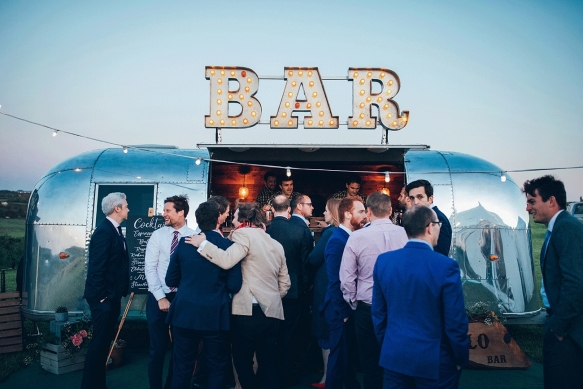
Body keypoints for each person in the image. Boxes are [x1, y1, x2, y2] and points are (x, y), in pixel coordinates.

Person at [185, 202, 290, 389]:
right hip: (273, 312)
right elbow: (285, 283)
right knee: (268, 363)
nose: (230, 219)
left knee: (242, 361)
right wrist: (270, 298)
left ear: (244, 219)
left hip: (248, 311)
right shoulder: (275, 243)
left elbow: (226, 260)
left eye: (234, 216)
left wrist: (203, 245)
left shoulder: (242, 234)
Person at [372, 205, 469, 388]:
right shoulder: (446, 266)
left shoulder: (384, 262)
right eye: (438, 224)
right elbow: (455, 321)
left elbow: (378, 314)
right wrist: (460, 358)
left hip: (395, 355)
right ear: (429, 227)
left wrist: (389, 345)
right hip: (435, 361)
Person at [165, 201, 242, 389]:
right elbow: (234, 285)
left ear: (197, 221)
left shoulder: (184, 244)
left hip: (184, 312)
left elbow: (170, 280)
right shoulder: (228, 245)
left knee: (182, 366)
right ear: (219, 220)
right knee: (217, 365)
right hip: (215, 314)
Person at [339, 192, 408, 389]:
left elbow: (347, 277)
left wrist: (353, 302)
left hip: (367, 307)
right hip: (399, 307)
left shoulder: (356, 237)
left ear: (368, 212)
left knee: (370, 364)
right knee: (400, 363)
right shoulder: (406, 235)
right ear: (391, 211)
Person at [523, 175, 583, 388]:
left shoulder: (567, 228)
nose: (528, 208)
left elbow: (575, 283)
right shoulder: (556, 228)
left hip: (568, 332)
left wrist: (558, 328)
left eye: (532, 201)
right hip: (560, 325)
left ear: (551, 200)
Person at [144, 195, 196, 389]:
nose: (163, 214)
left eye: (167, 210)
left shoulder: (193, 235)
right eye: (163, 210)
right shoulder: (157, 235)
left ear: (180, 212)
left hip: (182, 298)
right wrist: (160, 297)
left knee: (180, 350)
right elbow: (150, 268)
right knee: (157, 349)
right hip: (158, 297)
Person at [81, 192, 130, 389]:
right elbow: (96, 268)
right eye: (126, 206)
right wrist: (102, 298)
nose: (128, 209)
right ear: (117, 208)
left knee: (103, 346)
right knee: (98, 346)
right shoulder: (104, 232)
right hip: (104, 300)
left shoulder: (114, 230)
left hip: (112, 297)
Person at [320, 198, 367, 389]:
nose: (365, 216)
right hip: (340, 312)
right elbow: (335, 281)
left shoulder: (349, 237)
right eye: (361, 211)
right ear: (348, 214)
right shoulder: (337, 241)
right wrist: (343, 313)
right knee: (338, 362)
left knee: (346, 362)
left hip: (347, 310)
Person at [265, 195, 311, 386]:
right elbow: (305, 264)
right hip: (294, 290)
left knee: (269, 335)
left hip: (267, 289)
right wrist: (306, 287)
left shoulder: (265, 231)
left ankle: (269, 375)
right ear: (290, 210)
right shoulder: (300, 230)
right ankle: (288, 374)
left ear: (272, 210)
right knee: (290, 334)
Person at [307, 198, 341, 389]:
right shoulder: (338, 232)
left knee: (324, 333)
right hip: (333, 286)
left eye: (327, 211)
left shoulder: (329, 234)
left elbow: (313, 258)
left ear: (334, 213)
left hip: (324, 286)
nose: (324, 213)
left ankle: (327, 378)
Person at [406, 179, 452, 256]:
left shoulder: (439, 218)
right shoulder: (422, 216)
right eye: (412, 198)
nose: (415, 202)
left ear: (430, 199)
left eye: (420, 197)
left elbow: (440, 253)